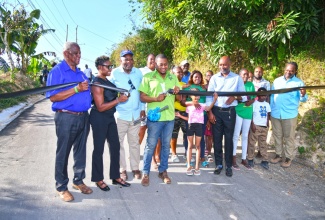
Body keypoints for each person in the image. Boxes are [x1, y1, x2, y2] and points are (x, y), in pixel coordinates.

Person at [46, 42, 92, 202]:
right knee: (63, 152)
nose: (78, 57)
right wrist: (76, 89)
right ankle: (61, 186)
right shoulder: (57, 72)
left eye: (79, 54)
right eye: (75, 54)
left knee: (80, 152)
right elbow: (53, 96)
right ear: (66, 54)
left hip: (83, 117)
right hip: (66, 117)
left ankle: (78, 181)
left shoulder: (80, 73)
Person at [90, 55, 131, 191]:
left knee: (115, 146)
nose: (110, 68)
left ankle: (115, 176)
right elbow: (100, 106)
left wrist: (120, 97)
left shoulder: (106, 81)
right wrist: (118, 100)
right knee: (99, 149)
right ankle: (98, 179)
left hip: (109, 117)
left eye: (111, 66)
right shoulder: (97, 83)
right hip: (99, 117)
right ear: (100, 67)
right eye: (108, 66)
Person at [139, 54, 180, 186]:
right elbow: (142, 97)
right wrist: (156, 99)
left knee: (166, 146)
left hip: (169, 117)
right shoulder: (148, 77)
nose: (163, 66)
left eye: (165, 64)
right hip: (155, 118)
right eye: (160, 64)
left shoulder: (172, 77)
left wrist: (178, 92)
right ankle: (145, 173)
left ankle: (163, 171)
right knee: (150, 145)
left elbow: (179, 99)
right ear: (155, 64)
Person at [206, 56, 246, 177]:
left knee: (229, 140)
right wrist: (210, 113)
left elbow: (243, 97)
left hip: (230, 112)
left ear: (230, 64)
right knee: (217, 139)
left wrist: (235, 96)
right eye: (220, 65)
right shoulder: (214, 78)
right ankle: (219, 165)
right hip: (216, 111)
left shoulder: (237, 78)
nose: (222, 67)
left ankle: (228, 166)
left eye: (225, 65)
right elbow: (209, 97)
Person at [110, 50, 145, 181]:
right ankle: (122, 169)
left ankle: (135, 167)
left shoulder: (138, 73)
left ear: (133, 61)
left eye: (130, 59)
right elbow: (109, 92)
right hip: (121, 114)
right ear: (121, 60)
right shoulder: (115, 73)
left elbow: (141, 92)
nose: (128, 62)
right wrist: (117, 98)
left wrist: (142, 108)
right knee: (118, 143)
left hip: (135, 114)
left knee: (134, 142)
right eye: (125, 59)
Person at [270, 62, 307, 168]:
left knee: (289, 137)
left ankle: (288, 158)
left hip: (290, 115)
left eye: (291, 70)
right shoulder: (277, 81)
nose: (288, 72)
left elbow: (303, 99)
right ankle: (278, 155)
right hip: (276, 113)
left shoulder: (299, 83)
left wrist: (303, 94)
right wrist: (271, 109)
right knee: (277, 135)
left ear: (295, 71)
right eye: (287, 69)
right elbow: (272, 96)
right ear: (284, 69)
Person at [177, 89, 218, 175]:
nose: (196, 96)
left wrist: (214, 100)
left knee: (198, 146)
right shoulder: (189, 107)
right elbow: (188, 118)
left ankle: (197, 166)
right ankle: (188, 165)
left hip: (199, 126)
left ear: (199, 96)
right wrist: (180, 115)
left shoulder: (202, 105)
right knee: (190, 146)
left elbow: (209, 108)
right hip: (190, 126)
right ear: (190, 96)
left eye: (197, 94)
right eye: (193, 94)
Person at [138, 54, 160, 169]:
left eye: (154, 60)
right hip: (142, 107)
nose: (152, 61)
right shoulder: (140, 71)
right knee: (141, 130)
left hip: (154, 108)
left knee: (153, 134)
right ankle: (135, 153)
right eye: (150, 59)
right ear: (147, 60)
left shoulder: (158, 73)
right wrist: (142, 108)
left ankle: (153, 159)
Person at [181, 70, 208, 164]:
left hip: (202, 116)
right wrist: (193, 102)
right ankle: (189, 157)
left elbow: (207, 103)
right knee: (189, 137)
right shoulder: (188, 87)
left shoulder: (204, 88)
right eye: (195, 77)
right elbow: (182, 102)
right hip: (191, 116)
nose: (197, 78)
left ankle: (202, 157)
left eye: (199, 77)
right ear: (192, 77)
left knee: (201, 137)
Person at [232, 68, 255, 170]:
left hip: (248, 111)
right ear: (239, 75)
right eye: (243, 74)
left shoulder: (251, 85)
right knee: (236, 134)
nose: (245, 76)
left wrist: (251, 101)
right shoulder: (236, 84)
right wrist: (240, 98)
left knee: (245, 135)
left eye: (247, 74)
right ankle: (233, 157)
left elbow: (254, 96)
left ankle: (243, 158)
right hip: (239, 110)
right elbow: (235, 97)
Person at [247, 87, 271, 169]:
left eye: (265, 95)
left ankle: (265, 160)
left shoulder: (267, 104)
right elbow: (251, 114)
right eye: (261, 95)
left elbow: (268, 115)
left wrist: (268, 123)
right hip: (256, 126)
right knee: (252, 143)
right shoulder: (255, 103)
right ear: (258, 95)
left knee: (263, 144)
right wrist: (252, 124)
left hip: (264, 127)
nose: (263, 97)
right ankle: (250, 158)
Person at [170, 65, 186, 163]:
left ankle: (186, 153)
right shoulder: (171, 83)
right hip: (174, 111)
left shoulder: (185, 84)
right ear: (173, 73)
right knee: (174, 134)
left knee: (187, 134)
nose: (180, 74)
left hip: (185, 112)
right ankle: (174, 154)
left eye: (181, 72)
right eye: (178, 72)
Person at [204, 70, 214, 161]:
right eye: (207, 75)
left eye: (211, 75)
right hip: (205, 111)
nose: (209, 77)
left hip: (214, 111)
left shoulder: (215, 87)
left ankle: (209, 151)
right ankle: (206, 151)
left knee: (212, 134)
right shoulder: (203, 87)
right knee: (206, 134)